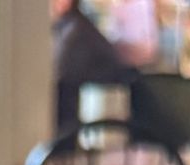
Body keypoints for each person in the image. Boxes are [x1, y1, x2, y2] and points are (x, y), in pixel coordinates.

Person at [50, 0, 132, 132]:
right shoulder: (71, 26)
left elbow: (59, 75)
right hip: (84, 106)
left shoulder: (74, 32)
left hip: (88, 111)